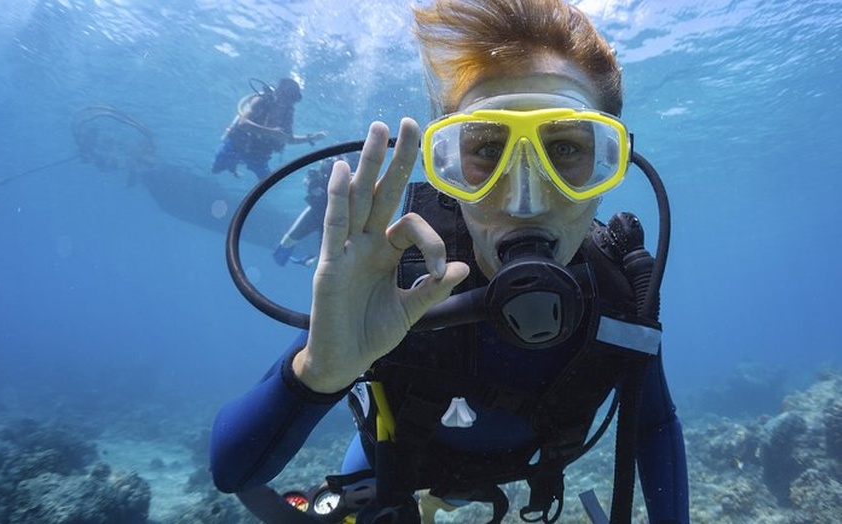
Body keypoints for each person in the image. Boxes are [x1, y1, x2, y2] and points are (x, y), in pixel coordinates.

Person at [210, 1, 689, 523]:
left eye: (567, 149)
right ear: (448, 169)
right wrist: (317, 373)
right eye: (486, 148)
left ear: (609, 168)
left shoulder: (620, 295)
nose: (523, 201)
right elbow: (232, 472)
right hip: (392, 469)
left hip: (518, 475)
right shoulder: (400, 276)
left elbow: (654, 427)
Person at [212, 78, 327, 180]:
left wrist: (311, 138)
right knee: (215, 169)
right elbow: (242, 123)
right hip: (236, 147)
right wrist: (271, 132)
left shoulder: (288, 114)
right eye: (286, 97)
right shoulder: (261, 101)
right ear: (277, 92)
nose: (287, 103)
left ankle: (233, 167)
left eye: (292, 100)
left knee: (268, 182)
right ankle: (232, 168)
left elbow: (288, 139)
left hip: (259, 156)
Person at [273, 153, 361, 267]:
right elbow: (308, 178)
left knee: (328, 255)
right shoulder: (329, 163)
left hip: (338, 216)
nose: (349, 160)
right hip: (317, 210)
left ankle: (310, 262)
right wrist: (312, 187)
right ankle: (295, 260)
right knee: (286, 243)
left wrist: (354, 181)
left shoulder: (360, 170)